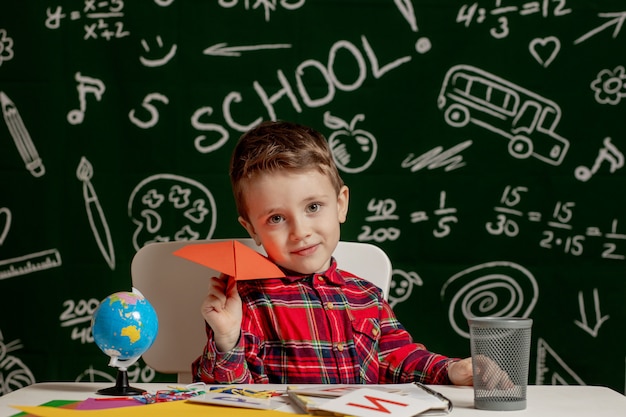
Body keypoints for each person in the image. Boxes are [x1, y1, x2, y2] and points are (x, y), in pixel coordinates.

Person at [192, 120, 474, 385]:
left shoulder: (367, 297)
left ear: (340, 204)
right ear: (252, 229)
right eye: (276, 218)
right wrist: (226, 340)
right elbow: (226, 396)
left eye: (313, 207)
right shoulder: (246, 300)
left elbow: (398, 358)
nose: (300, 231)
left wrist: (450, 369)